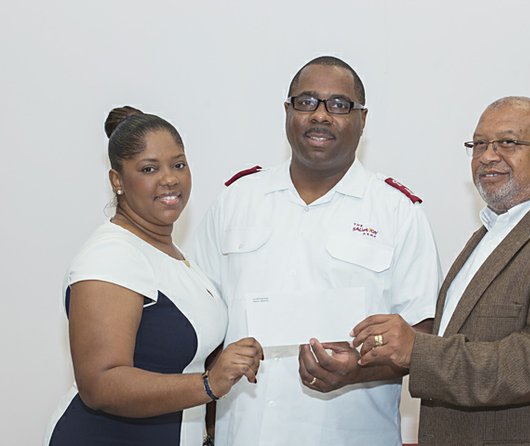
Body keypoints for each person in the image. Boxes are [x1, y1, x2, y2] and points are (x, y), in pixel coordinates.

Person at [352, 96, 530, 445]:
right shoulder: (490, 235)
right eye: (479, 144)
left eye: (508, 143)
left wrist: (418, 351)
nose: (487, 156)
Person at [189, 56, 442, 445]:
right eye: (307, 101)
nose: (320, 115)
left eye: (339, 105)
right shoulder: (236, 201)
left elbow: (421, 337)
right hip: (245, 433)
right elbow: (199, 322)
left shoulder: (397, 212)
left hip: (352, 435)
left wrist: (358, 368)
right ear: (287, 111)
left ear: (362, 119)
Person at [44, 106, 263, 446]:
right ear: (117, 181)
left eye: (179, 164)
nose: (170, 178)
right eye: (149, 169)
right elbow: (100, 384)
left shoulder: (169, 255)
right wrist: (208, 384)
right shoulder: (110, 256)